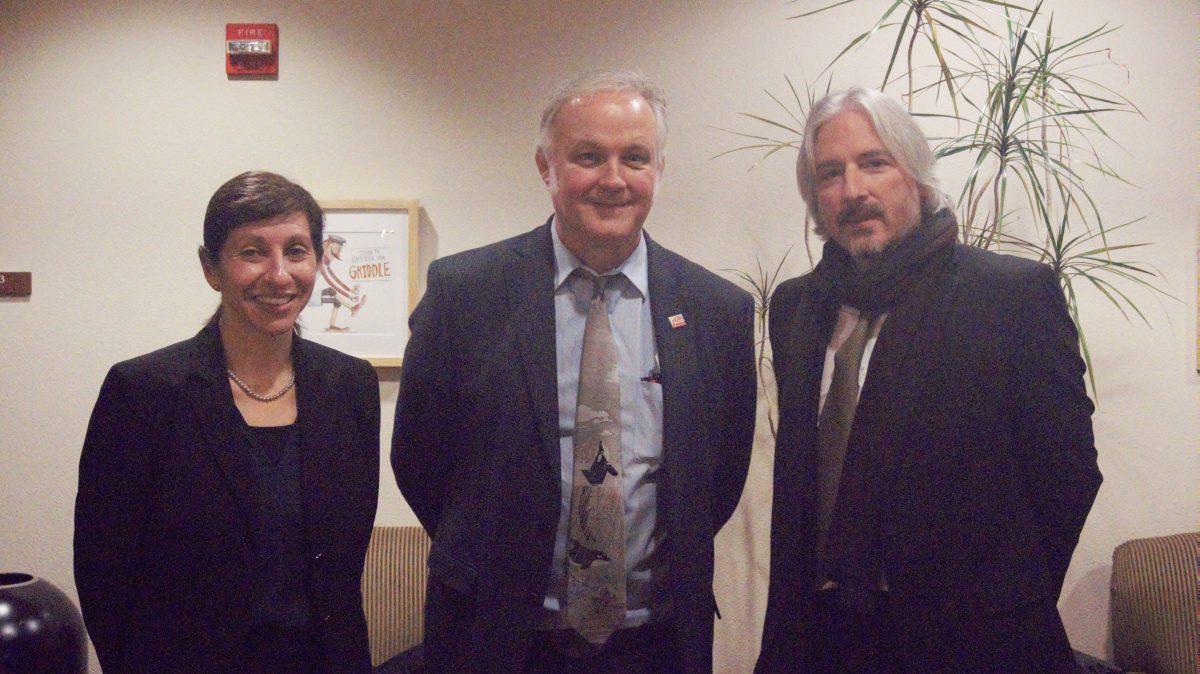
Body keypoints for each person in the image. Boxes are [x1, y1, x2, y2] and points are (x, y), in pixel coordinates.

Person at [392, 70, 756, 673]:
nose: (613, 179)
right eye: (588, 156)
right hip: (498, 640)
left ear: (659, 170)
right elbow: (420, 459)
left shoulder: (718, 309)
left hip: (657, 643)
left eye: (634, 158)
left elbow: (718, 476)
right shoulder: (467, 293)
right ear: (546, 166)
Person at [756, 87, 1102, 673]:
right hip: (823, 642)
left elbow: (1066, 473)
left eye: (875, 162)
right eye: (831, 173)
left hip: (973, 646)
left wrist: (1000, 604)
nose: (854, 190)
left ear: (916, 176)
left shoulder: (1007, 296)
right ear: (815, 198)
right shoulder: (796, 308)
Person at [74, 171, 380, 672]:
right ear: (211, 268)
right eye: (253, 251)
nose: (279, 274)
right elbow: (103, 571)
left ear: (319, 261)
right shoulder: (144, 391)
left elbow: (343, 567)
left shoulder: (349, 387)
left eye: (298, 251)